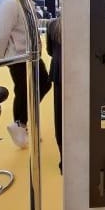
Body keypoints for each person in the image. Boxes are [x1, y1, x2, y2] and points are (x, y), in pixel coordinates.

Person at [0, 0, 52, 149]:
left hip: (32, 55)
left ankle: (22, 123)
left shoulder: (28, 4)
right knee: (23, 90)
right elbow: (1, 35)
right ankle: (20, 124)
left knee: (43, 85)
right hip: (18, 57)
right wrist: (2, 58)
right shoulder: (10, 5)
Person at [46, 16, 63, 173]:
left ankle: (64, 160)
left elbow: (50, 51)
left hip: (59, 71)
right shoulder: (85, 22)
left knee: (60, 116)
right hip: (80, 71)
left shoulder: (52, 25)